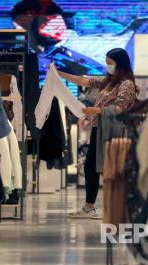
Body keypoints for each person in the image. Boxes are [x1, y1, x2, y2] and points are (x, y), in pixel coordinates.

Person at [57, 48, 138, 219]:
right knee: (92, 167)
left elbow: (120, 108)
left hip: (113, 130)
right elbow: (83, 81)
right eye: (106, 62)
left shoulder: (127, 84)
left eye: (110, 63)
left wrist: (94, 110)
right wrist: (58, 74)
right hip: (98, 129)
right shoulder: (109, 82)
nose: (107, 66)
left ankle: (119, 207)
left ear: (119, 64)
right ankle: (90, 207)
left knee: (109, 169)